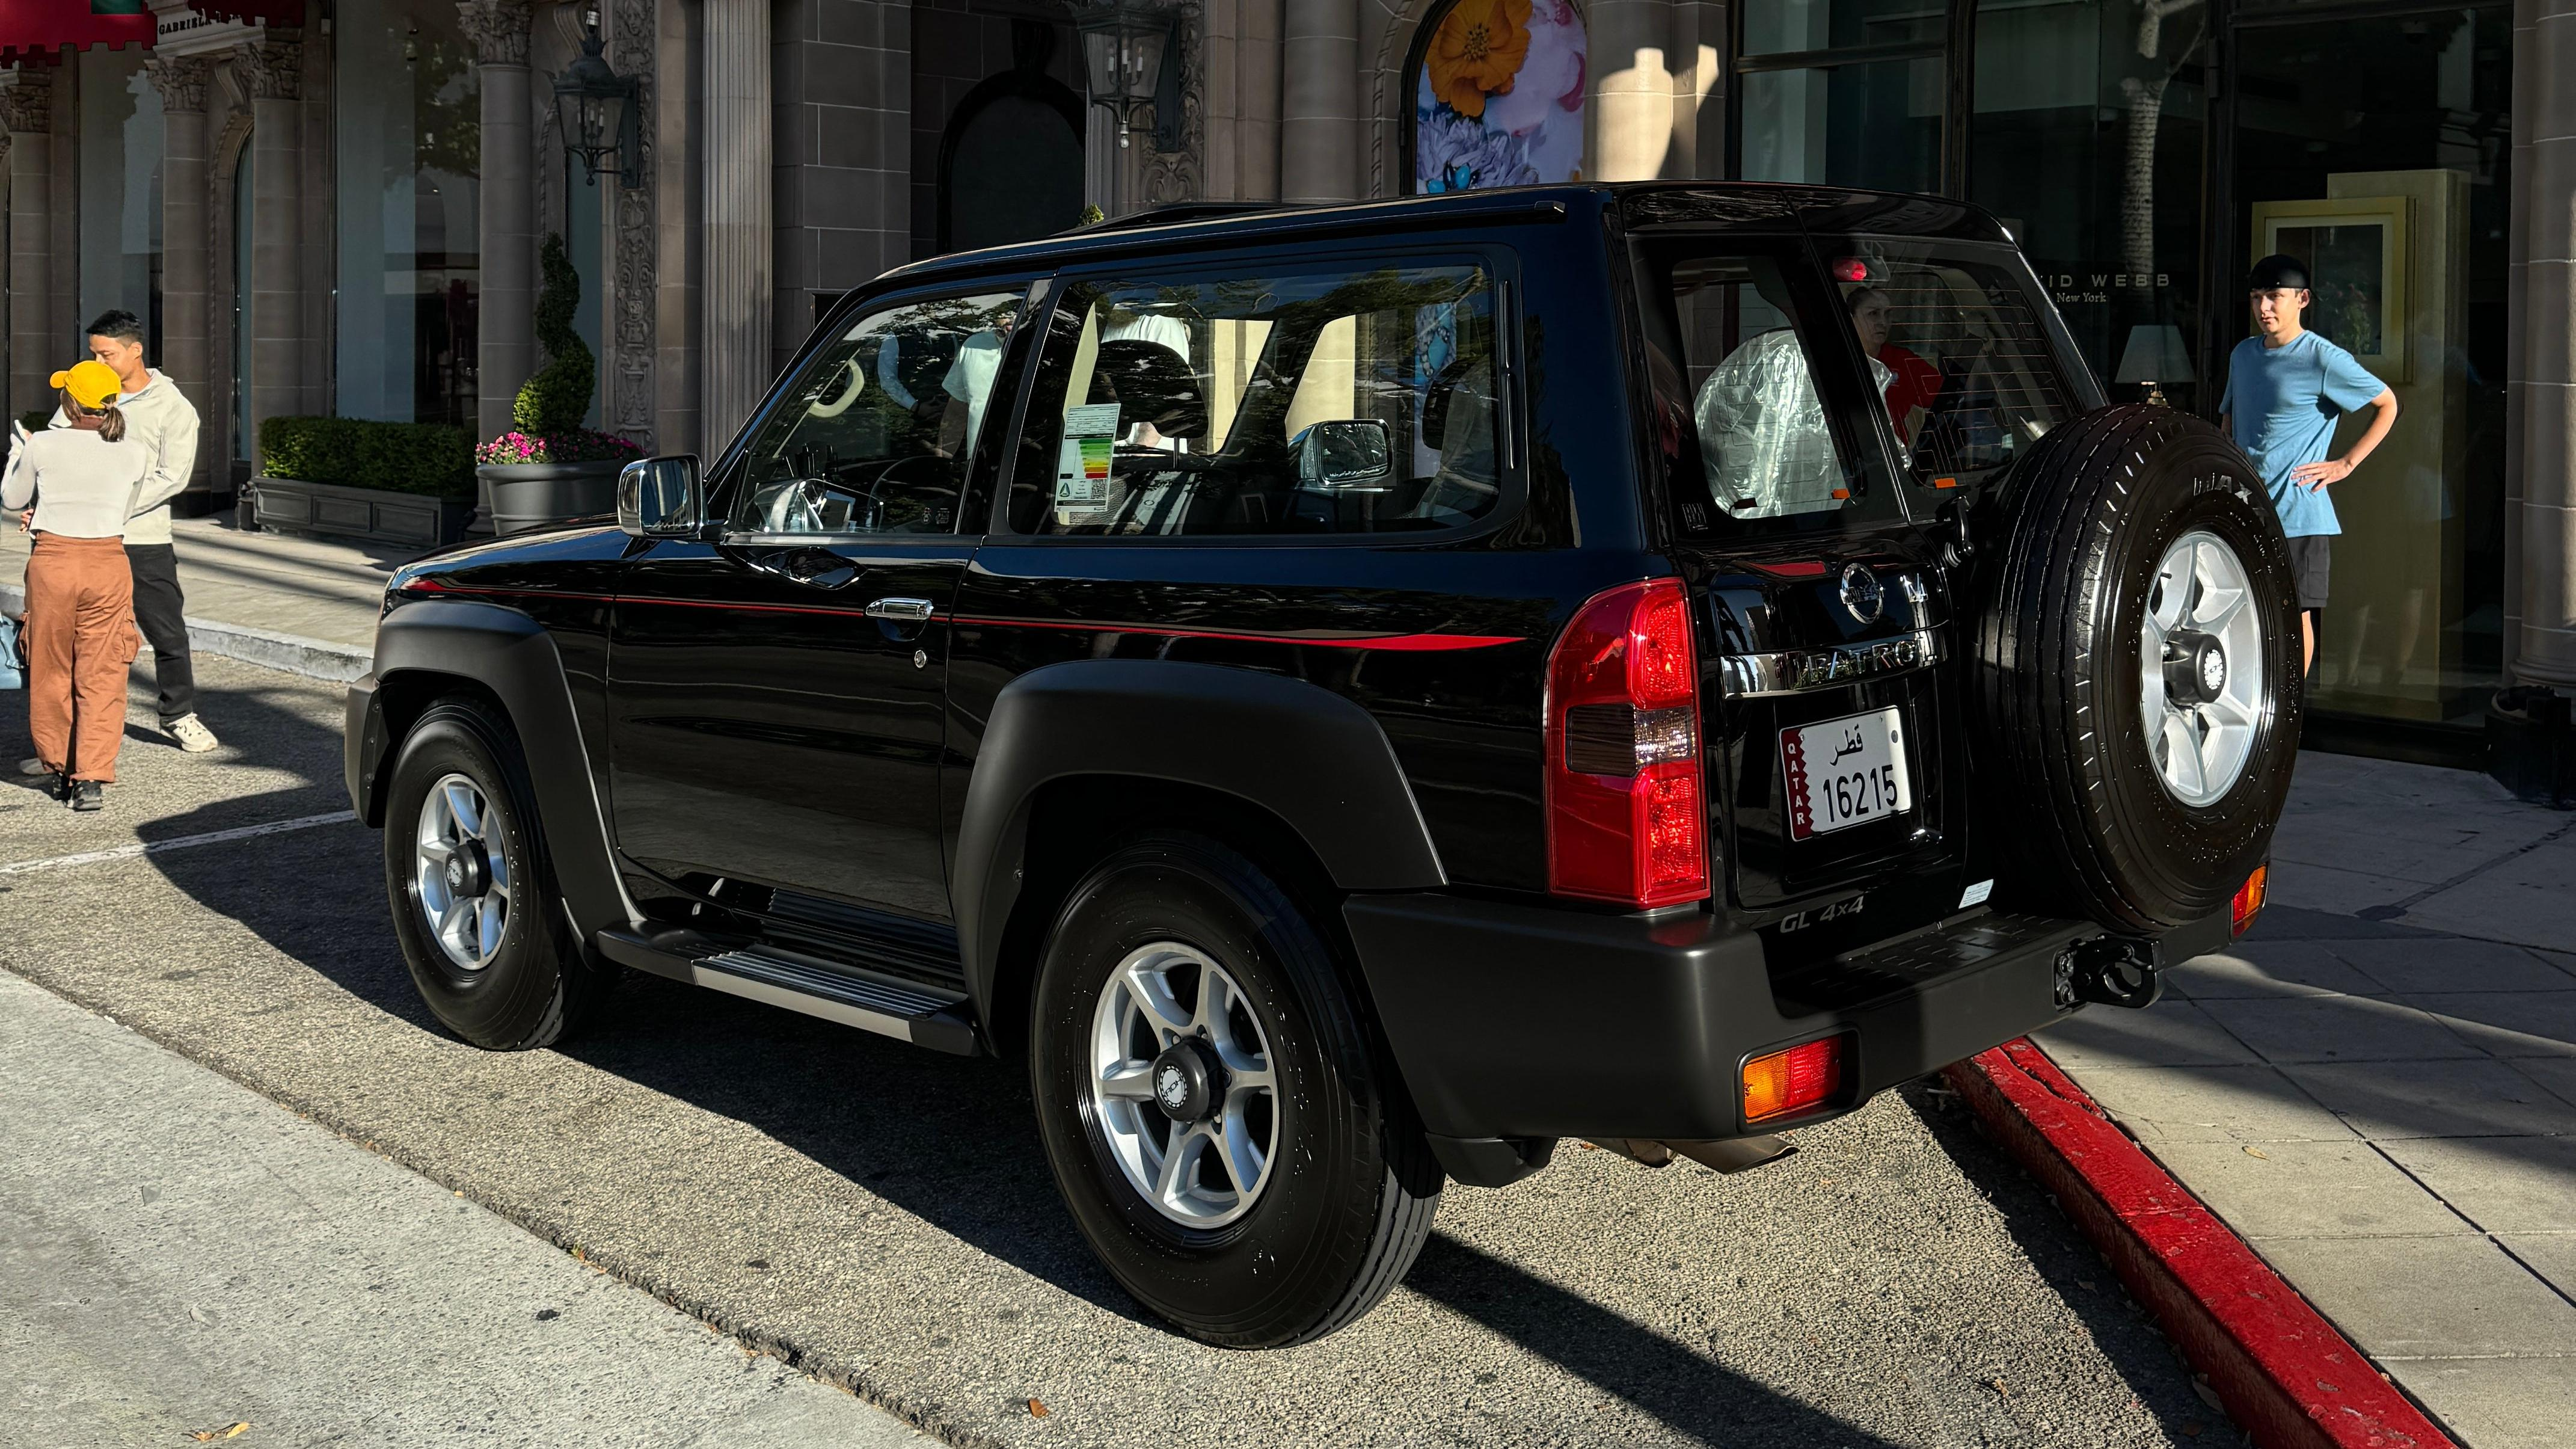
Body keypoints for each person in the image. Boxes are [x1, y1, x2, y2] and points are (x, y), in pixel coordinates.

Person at [2217, 256, 2400, 675]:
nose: (2264, 307)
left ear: (2301, 299)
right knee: (2245, 614)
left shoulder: (2322, 358)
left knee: (2293, 619)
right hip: (2245, 510)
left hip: (2300, 515)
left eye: (2275, 297)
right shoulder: (2243, 355)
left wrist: (2346, 464)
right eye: (2257, 297)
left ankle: (2288, 718)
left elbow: (2386, 403)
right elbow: (2230, 419)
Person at [4, 361, 153, 811]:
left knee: (50, 668)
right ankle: (92, 777)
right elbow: (122, 513)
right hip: (108, 562)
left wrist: (18, 453)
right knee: (104, 670)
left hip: (54, 562)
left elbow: (11, 499)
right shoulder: (135, 451)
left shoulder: (44, 444)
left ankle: (58, 767)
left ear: (68, 402)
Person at [78, 310, 216, 753]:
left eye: (107, 355)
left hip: (143, 538)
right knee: (81, 636)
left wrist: (113, 504)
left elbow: (173, 477)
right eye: (94, 355)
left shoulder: (172, 407)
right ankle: (75, 731)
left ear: (135, 351)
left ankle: (179, 715)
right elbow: (62, 448)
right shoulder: (88, 393)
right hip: (86, 536)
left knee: (167, 632)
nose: (98, 364)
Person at [1694, 286, 1895, 518]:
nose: (1882, 323)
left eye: (1888, 315)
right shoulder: (1784, 356)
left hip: (1826, 511)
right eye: (1873, 314)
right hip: (1804, 515)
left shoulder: (1871, 372)